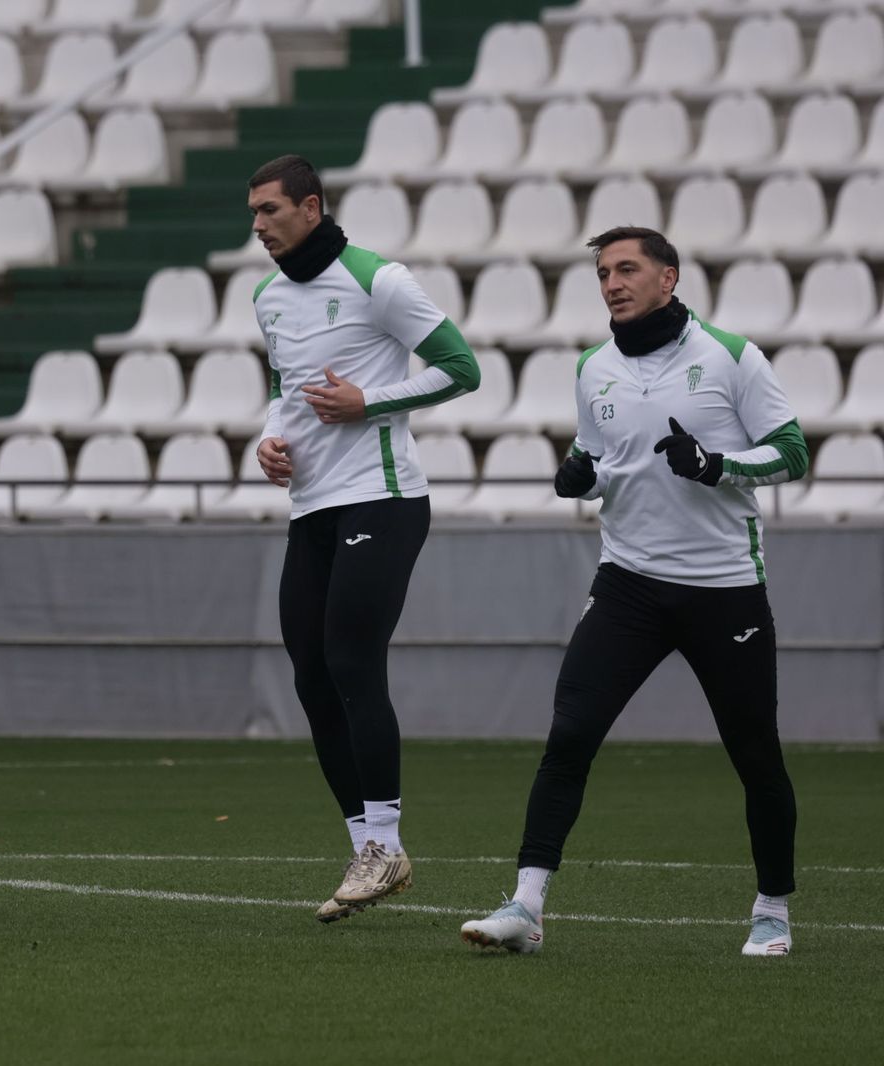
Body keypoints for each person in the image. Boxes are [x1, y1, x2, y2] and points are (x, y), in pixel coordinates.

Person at [460, 226, 808, 957]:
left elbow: (792, 453)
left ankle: (772, 909)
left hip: (724, 590)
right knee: (570, 736)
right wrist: (574, 475)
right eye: (604, 273)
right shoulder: (593, 367)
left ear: (668, 279)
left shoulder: (731, 356)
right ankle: (525, 907)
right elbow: (593, 455)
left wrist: (718, 465)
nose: (612, 282)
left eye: (627, 269)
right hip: (628, 586)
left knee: (755, 756)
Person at [248, 155, 482, 922]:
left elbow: (460, 368)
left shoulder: (378, 278)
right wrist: (268, 441)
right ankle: (370, 852)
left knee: (350, 659)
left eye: (271, 211)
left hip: (383, 499)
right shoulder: (268, 297)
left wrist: (368, 402)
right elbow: (285, 388)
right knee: (311, 675)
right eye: (253, 214)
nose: (258, 227)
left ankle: (384, 839)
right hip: (311, 507)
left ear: (311, 207)